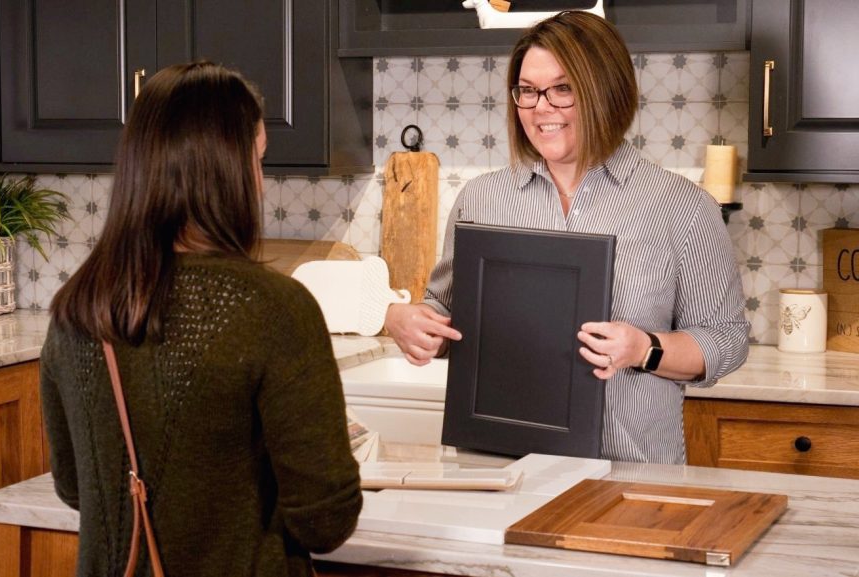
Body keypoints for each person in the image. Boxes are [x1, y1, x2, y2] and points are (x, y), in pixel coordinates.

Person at [40, 62, 362, 577]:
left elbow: (76, 488)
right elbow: (326, 520)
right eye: (256, 162)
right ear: (226, 173)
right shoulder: (276, 309)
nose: (259, 184)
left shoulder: (75, 311)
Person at [384, 11, 749, 465]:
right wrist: (411, 321)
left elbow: (727, 339)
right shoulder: (481, 200)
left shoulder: (680, 206)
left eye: (562, 89)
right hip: (495, 469)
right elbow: (446, 311)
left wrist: (644, 349)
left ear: (607, 93)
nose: (541, 107)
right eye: (528, 90)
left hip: (629, 474)